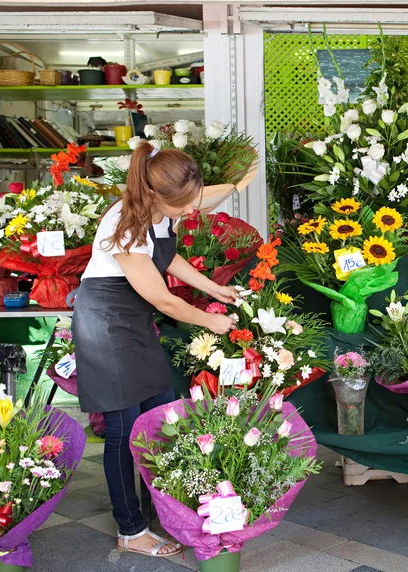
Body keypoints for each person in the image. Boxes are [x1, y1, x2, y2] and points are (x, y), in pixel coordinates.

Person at [73, 142, 237, 558]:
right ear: (155, 193)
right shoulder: (124, 224)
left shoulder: (161, 212)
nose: (189, 212)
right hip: (107, 324)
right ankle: (131, 530)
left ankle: (167, 509)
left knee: (162, 416)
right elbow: (163, 300)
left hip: (134, 322)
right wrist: (211, 321)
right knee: (124, 430)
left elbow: (168, 256)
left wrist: (211, 286)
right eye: (183, 205)